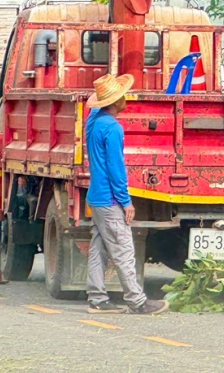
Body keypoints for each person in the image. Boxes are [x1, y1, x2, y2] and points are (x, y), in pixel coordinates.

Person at [84, 73, 168, 315]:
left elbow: (93, 111)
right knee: (123, 249)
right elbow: (116, 168)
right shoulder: (112, 128)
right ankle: (137, 300)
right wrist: (126, 201)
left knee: (98, 248)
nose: (126, 99)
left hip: (96, 197)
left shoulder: (93, 121)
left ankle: (97, 299)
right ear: (116, 100)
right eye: (122, 95)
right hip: (110, 198)